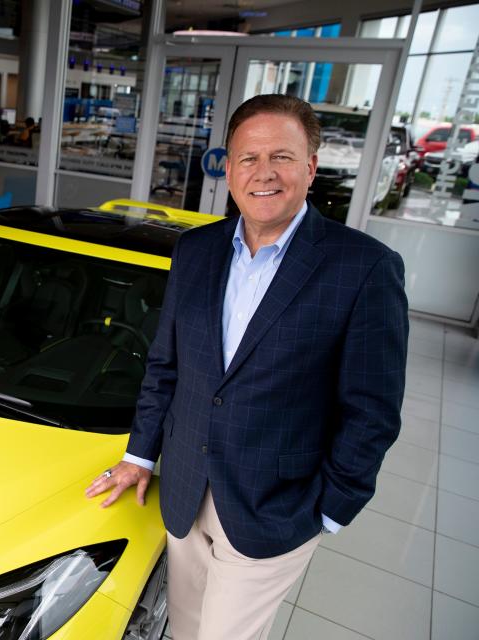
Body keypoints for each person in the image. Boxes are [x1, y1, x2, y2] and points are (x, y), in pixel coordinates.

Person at [85, 94, 408, 640]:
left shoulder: (365, 267)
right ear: (228, 168)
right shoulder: (196, 250)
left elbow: (372, 410)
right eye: (248, 158)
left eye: (281, 157)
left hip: (276, 506)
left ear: (310, 166)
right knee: (185, 628)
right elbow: (166, 365)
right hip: (186, 489)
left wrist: (330, 509)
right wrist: (140, 455)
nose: (264, 173)